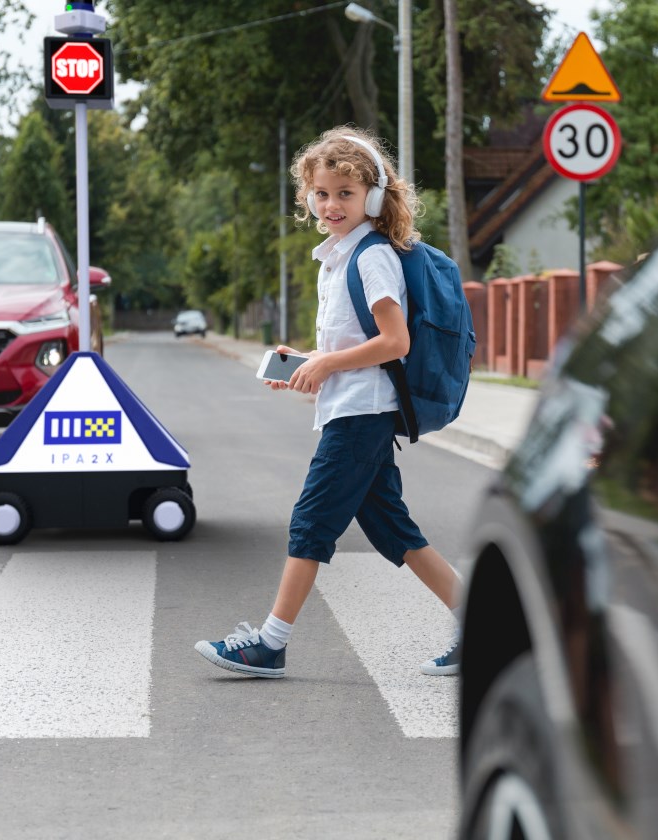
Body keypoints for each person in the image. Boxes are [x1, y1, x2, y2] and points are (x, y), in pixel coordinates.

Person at [194, 126, 462, 679]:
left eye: (345, 192)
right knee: (395, 531)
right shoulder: (338, 258)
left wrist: (327, 365)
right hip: (353, 407)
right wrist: (309, 359)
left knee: (310, 523)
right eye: (321, 192)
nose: (331, 204)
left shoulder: (371, 257)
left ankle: (271, 642)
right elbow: (353, 339)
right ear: (307, 195)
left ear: (371, 195)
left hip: (362, 415)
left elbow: (395, 343)